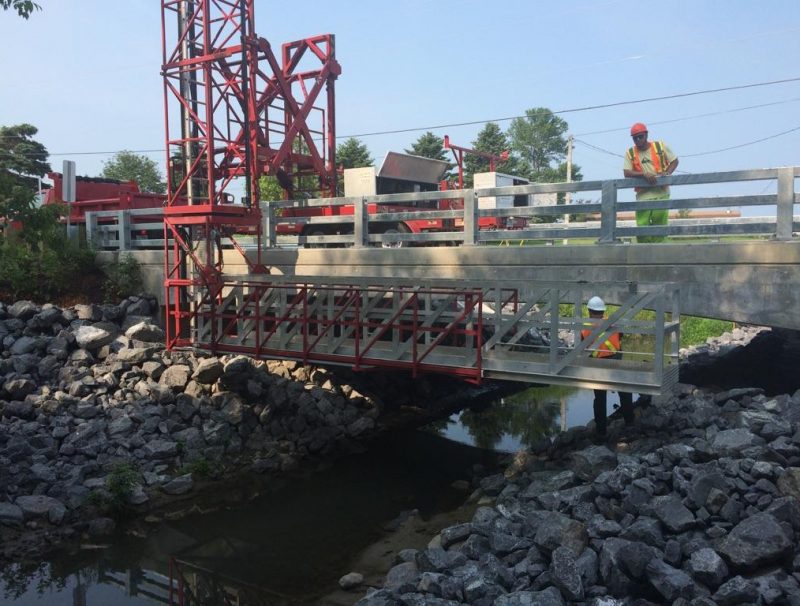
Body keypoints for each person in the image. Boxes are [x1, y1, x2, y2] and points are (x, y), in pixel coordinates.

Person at [581, 296, 634, 437]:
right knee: (624, 391)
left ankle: (601, 432)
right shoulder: (612, 323)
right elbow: (620, 338)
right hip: (615, 362)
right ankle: (630, 423)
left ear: (589, 311)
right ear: (603, 311)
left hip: (597, 367)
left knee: (600, 399)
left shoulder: (585, 327)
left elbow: (581, 348)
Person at [623, 123, 679, 243]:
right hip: (643, 195)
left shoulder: (660, 146)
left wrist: (667, 173)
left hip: (661, 193)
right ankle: (644, 256)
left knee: (660, 228)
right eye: (635, 138)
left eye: (640, 136)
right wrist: (644, 174)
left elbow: (674, 161)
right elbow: (626, 172)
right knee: (642, 228)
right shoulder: (630, 153)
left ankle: (660, 255)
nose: (638, 140)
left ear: (646, 135)